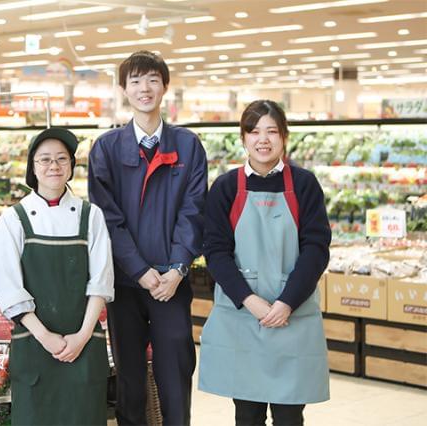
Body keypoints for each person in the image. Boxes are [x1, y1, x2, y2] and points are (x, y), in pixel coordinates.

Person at [88, 50, 207, 425]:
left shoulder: (187, 146)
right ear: (124, 89)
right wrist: (139, 270)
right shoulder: (106, 149)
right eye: (135, 81)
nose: (145, 88)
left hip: (172, 284)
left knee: (176, 373)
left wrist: (177, 268)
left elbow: (195, 211)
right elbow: (108, 217)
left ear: (165, 86)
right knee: (130, 379)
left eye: (152, 79)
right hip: (125, 283)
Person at [199, 100, 331, 426]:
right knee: (247, 414)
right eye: (254, 131)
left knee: (289, 415)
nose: (263, 139)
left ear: (284, 136)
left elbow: (316, 248)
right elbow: (215, 252)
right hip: (243, 317)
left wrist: (287, 302)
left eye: (272, 130)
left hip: (293, 315)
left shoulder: (304, 185)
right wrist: (250, 301)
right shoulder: (226, 187)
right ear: (243, 138)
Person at [0, 128, 114, 425]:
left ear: (72, 165)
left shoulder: (91, 215)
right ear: (32, 168)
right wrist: (45, 337)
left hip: (84, 343)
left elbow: (100, 281)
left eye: (62, 159)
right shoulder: (13, 218)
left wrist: (82, 335)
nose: (54, 167)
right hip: (34, 343)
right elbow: (9, 288)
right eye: (45, 160)